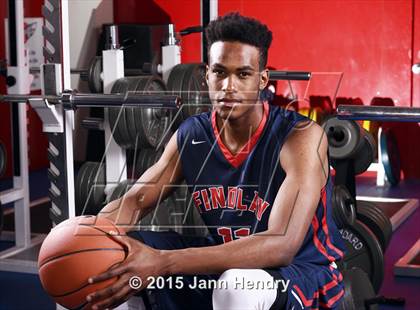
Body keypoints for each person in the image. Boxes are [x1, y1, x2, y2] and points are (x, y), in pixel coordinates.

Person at [86, 12, 345, 310]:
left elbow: (281, 245)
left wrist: (162, 262)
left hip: (302, 274)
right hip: (226, 261)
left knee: (237, 286)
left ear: (262, 79)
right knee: (114, 253)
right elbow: (136, 201)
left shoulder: (300, 137)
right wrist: (87, 234)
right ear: (205, 75)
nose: (228, 86)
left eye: (243, 74)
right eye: (220, 73)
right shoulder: (192, 134)